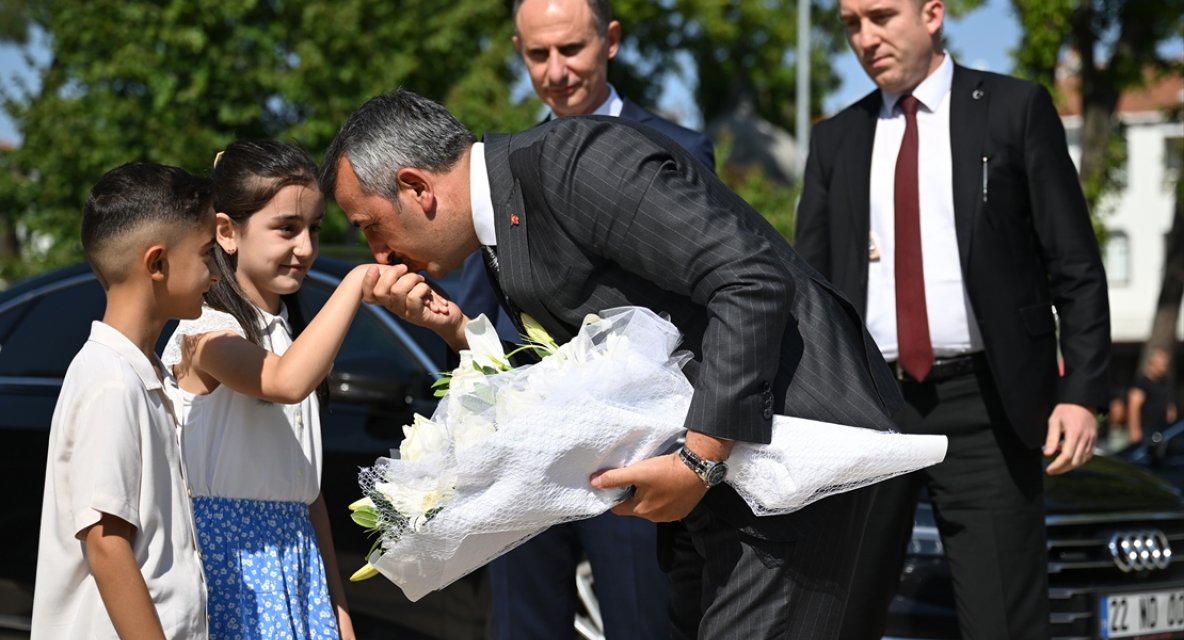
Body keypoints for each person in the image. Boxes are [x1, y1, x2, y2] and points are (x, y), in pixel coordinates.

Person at [322, 89, 905, 638]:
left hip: (789, 466)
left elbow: (750, 280)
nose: (380, 254)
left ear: (416, 187)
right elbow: (569, 378)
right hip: (710, 496)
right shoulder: (503, 220)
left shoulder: (574, 162)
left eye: (371, 226)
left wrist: (699, 460)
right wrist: (453, 329)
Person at [794, 0, 1111, 637]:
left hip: (989, 405)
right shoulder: (837, 138)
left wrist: (1080, 393)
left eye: (880, 16)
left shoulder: (1012, 109)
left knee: (1004, 624)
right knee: (835, 617)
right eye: (851, 24)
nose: (866, 37)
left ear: (932, 14)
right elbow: (810, 288)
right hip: (869, 410)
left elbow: (1073, 262)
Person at [458, 1, 716, 637]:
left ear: (611, 42)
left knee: (645, 625)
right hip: (526, 452)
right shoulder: (498, 164)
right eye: (537, 55)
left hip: (639, 448)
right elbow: (478, 308)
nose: (556, 71)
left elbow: (710, 300)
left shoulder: (677, 150)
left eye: (570, 50)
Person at [161, 140, 378, 639]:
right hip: (233, 569)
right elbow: (283, 382)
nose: (305, 247)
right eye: (286, 228)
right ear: (227, 233)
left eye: (313, 229)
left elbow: (307, 491)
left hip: (298, 564)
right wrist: (355, 283)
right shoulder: (204, 333)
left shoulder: (286, 333)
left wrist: (337, 606)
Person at [32, 162, 217, 638]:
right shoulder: (111, 382)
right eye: (205, 254)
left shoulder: (141, 374)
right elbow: (106, 545)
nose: (215, 274)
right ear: (156, 264)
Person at [1128, 348, 1177, 445]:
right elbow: (1134, 406)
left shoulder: (1164, 383)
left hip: (1160, 431)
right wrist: (1134, 430)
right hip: (1145, 433)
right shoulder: (1142, 383)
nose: (1164, 367)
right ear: (1151, 363)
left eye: (1165, 365)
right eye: (1161, 364)